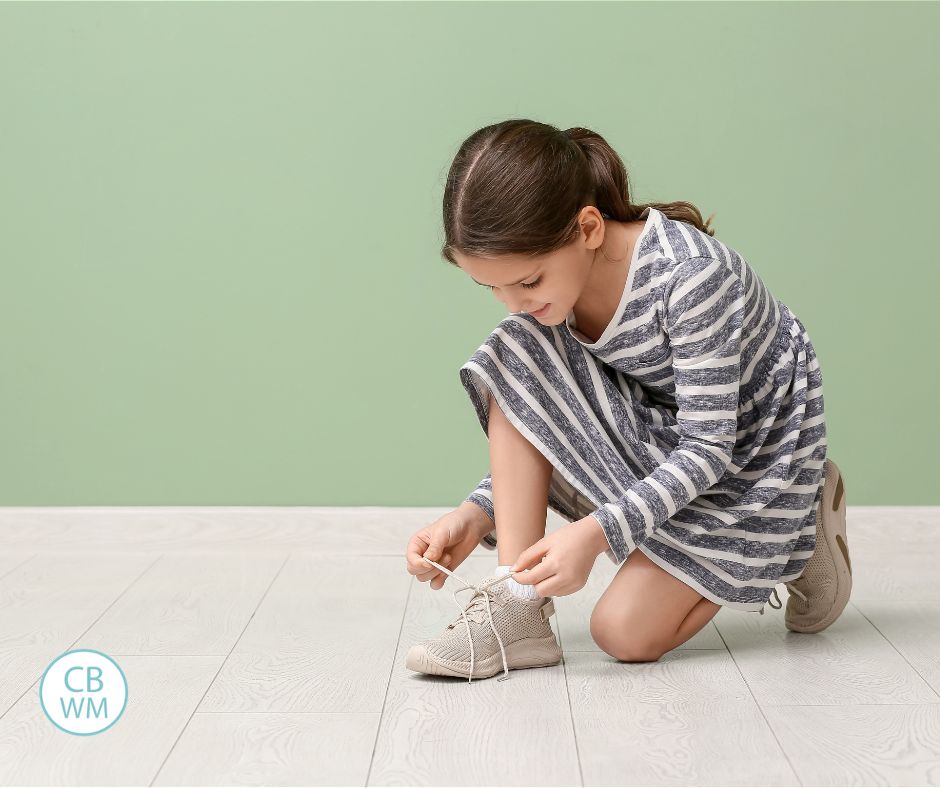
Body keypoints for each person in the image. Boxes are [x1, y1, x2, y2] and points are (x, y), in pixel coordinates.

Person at [403, 119, 851, 683]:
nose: (512, 302)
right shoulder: (552, 298)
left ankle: (799, 520)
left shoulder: (691, 278)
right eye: (491, 286)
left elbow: (710, 447)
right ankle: (516, 605)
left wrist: (595, 536)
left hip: (749, 461)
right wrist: (476, 514)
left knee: (624, 634)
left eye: (529, 281)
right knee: (515, 348)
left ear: (589, 228)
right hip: (664, 438)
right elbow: (563, 421)